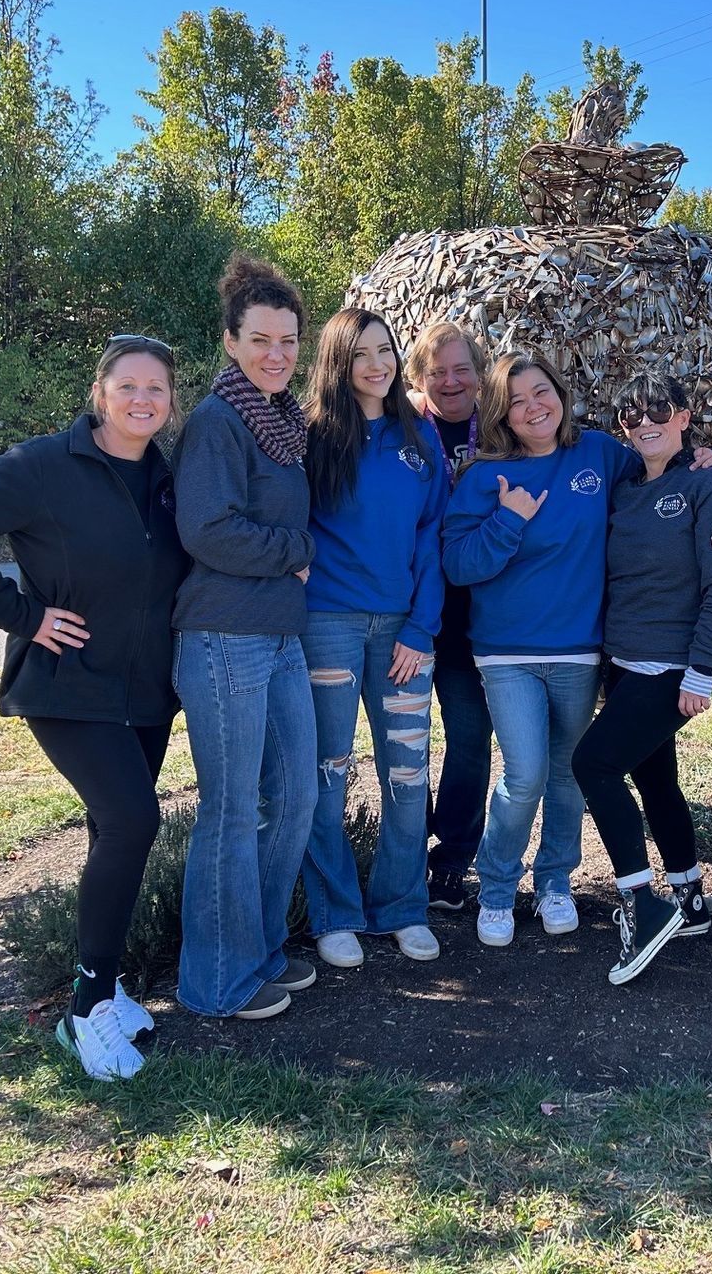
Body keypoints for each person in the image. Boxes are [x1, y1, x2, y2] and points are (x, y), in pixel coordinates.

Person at [0, 333, 189, 1080]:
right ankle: (84, 1008)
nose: (142, 400)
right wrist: (23, 614)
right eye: (128, 386)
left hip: (146, 692)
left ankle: (105, 992)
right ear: (99, 392)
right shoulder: (44, 465)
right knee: (136, 821)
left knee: (117, 832)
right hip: (69, 687)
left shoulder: (167, 479)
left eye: (156, 390)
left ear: (171, 401)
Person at [441, 349, 641, 948]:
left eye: (541, 392)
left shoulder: (599, 454)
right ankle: (498, 887)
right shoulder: (484, 476)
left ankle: (556, 881)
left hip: (579, 649)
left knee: (566, 774)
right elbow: (457, 564)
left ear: (559, 392)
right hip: (506, 654)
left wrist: (703, 456)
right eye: (517, 400)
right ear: (501, 413)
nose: (534, 408)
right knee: (524, 774)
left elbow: (661, 468)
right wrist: (507, 521)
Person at [170, 253, 320, 1022]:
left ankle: (257, 952)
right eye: (260, 339)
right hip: (224, 638)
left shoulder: (285, 422)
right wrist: (296, 553)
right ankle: (214, 983)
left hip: (280, 636)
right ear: (230, 341)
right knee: (231, 810)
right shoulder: (218, 421)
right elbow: (207, 530)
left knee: (295, 795)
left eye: (289, 341)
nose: (276, 354)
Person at [571, 372, 712, 984]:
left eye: (658, 409)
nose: (643, 420)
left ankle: (643, 905)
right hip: (623, 663)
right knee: (656, 779)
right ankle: (691, 898)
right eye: (630, 413)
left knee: (592, 765)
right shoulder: (623, 486)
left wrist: (703, 671)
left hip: (672, 666)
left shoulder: (709, 483)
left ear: (684, 414)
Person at [299, 308, 450, 967]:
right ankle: (335, 915)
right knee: (326, 773)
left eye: (385, 349)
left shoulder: (420, 438)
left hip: (403, 634)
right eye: (360, 353)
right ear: (338, 362)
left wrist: (420, 627)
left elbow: (434, 537)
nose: (376, 363)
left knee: (408, 774)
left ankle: (402, 907)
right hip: (325, 625)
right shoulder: (311, 437)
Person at [404, 322, 495, 913]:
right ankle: (401, 854)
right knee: (403, 746)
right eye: (437, 372)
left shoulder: (505, 426)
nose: (450, 380)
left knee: (467, 740)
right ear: (418, 378)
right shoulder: (404, 428)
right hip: (408, 611)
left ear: (480, 373)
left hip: (473, 617)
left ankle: (453, 859)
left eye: (461, 369)